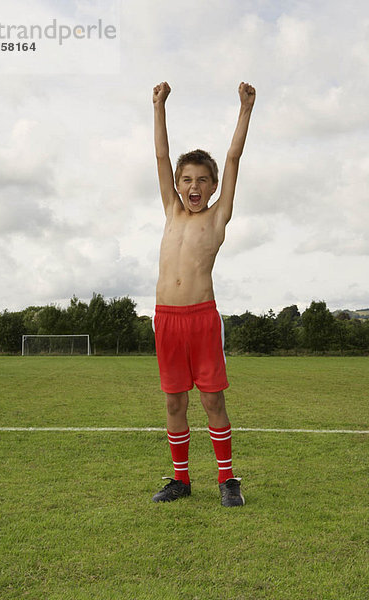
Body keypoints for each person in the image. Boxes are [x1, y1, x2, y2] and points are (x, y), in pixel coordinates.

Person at [151, 80, 255, 507]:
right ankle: (181, 480)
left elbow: (232, 158)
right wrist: (158, 106)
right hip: (166, 319)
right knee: (175, 402)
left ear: (213, 187)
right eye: (187, 180)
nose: (195, 187)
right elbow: (160, 154)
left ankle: (228, 480)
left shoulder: (217, 218)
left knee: (212, 399)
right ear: (178, 184)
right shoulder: (172, 210)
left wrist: (245, 109)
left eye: (203, 181)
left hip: (201, 318)